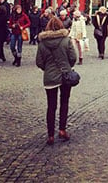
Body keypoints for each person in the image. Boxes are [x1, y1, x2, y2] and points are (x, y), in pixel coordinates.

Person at [36, 16, 77, 145]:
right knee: (64, 103)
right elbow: (73, 57)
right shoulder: (66, 40)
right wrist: (67, 67)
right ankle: (62, 130)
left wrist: (47, 69)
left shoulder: (42, 43)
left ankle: (50, 135)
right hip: (65, 75)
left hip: (50, 77)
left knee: (51, 106)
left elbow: (39, 62)